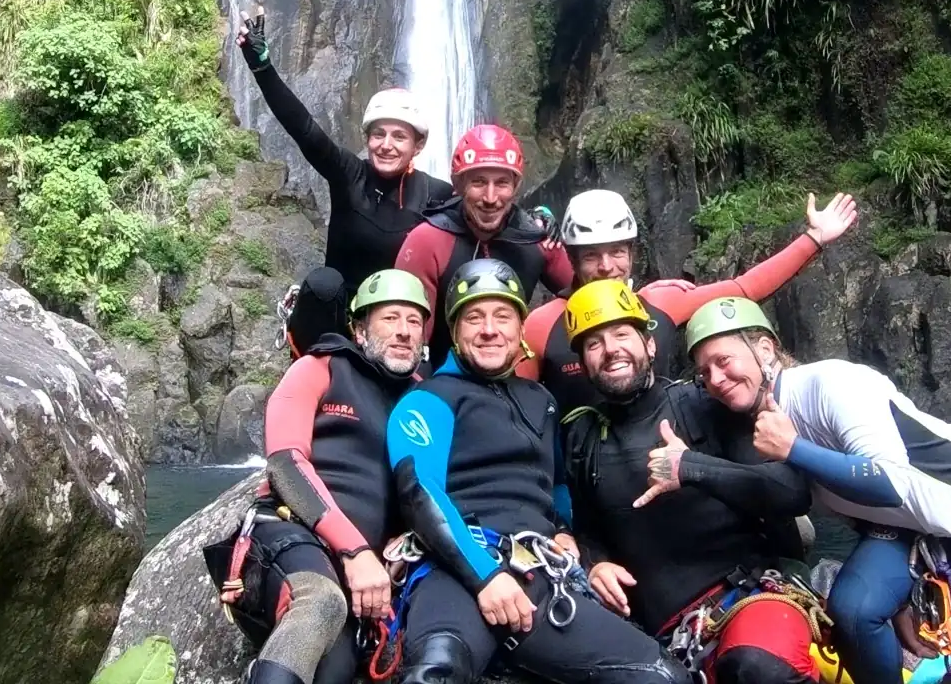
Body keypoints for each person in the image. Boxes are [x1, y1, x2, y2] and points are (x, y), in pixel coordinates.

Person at [682, 297, 951, 684]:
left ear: (764, 349)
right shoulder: (765, 431)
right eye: (704, 373)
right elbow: (855, 508)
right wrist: (898, 601)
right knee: (856, 609)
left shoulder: (830, 384)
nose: (715, 379)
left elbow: (888, 481)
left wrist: (794, 448)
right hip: (921, 527)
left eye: (724, 361)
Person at [383, 259, 691, 684]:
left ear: (520, 328)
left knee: (662, 676)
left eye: (502, 316)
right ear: (454, 331)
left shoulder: (541, 402)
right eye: (474, 318)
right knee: (435, 672)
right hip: (453, 568)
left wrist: (564, 531)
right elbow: (419, 490)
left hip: (538, 573)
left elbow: (557, 484)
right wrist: (485, 576)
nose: (489, 329)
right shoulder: (428, 400)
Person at [558, 279, 820, 684]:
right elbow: (589, 530)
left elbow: (791, 493)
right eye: (594, 343)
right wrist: (596, 565)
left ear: (650, 345)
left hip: (749, 597)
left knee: (756, 668)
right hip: (666, 637)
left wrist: (691, 467)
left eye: (622, 334)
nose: (610, 350)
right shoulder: (582, 437)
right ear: (584, 364)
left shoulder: (704, 402)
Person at [214, 269, 432, 684]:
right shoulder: (320, 367)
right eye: (390, 318)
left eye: (414, 321)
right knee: (321, 604)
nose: (404, 331)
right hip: (294, 532)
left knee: (334, 669)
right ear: (359, 330)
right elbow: (285, 463)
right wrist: (354, 550)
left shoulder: (426, 399)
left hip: (367, 569)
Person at [518, 189, 858, 415]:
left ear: (632, 254)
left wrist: (815, 238)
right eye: (592, 256)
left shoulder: (660, 302)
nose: (607, 267)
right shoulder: (542, 324)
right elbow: (515, 401)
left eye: (617, 252)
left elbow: (744, 289)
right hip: (581, 472)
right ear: (572, 259)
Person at [236, 6, 453, 356]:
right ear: (367, 138)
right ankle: (319, 367)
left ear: (418, 146)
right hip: (337, 324)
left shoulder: (436, 195)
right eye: (378, 134)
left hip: (395, 331)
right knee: (323, 284)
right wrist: (263, 68)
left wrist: (534, 223)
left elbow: (486, 206)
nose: (386, 145)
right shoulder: (349, 174)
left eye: (399, 136)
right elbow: (304, 129)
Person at [395, 126, 573, 366]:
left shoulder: (538, 238)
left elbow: (589, 295)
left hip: (516, 371)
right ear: (458, 185)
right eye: (478, 182)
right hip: (441, 373)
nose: (490, 198)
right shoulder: (428, 240)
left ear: (515, 187)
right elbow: (408, 342)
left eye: (502, 183)